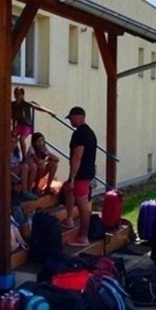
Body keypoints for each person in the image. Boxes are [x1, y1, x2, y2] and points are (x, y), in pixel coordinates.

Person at [61, 106, 97, 247]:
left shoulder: (79, 134)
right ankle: (69, 219)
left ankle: (83, 237)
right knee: (68, 190)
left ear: (78, 117)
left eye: (71, 118)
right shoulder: (90, 132)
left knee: (82, 206)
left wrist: (72, 178)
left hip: (81, 175)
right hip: (88, 172)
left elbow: (77, 157)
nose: (70, 121)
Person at [12, 87, 56, 162]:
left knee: (21, 139)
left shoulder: (27, 104)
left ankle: (24, 157)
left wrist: (49, 112)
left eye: (19, 94)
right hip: (19, 125)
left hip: (27, 125)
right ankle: (13, 153)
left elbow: (38, 107)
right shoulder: (13, 104)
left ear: (22, 95)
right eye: (15, 94)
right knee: (12, 137)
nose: (17, 96)